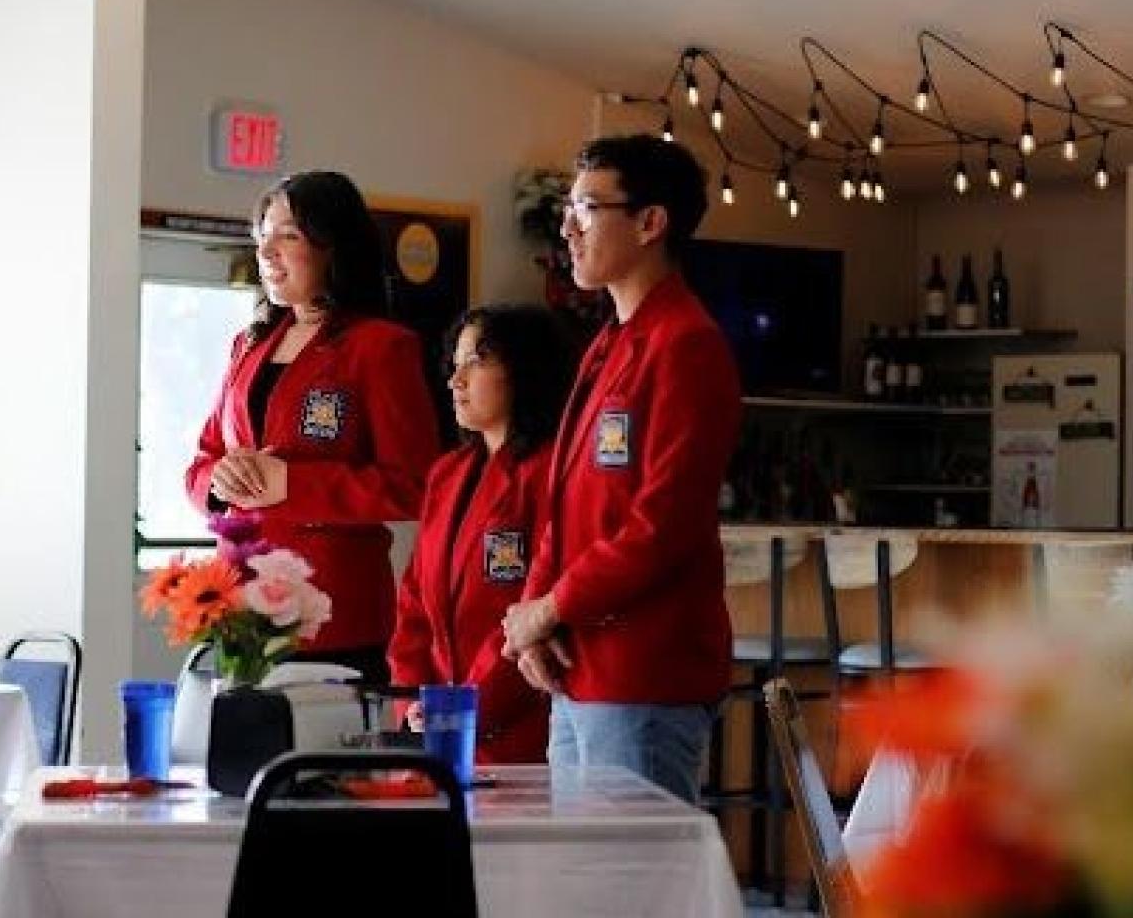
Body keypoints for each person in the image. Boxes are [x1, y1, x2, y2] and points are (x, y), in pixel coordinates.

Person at [501, 134, 742, 804]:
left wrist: (551, 606)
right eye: (566, 210)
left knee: (633, 887)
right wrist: (538, 621)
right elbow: (563, 505)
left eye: (586, 207)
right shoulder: (609, 341)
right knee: (577, 880)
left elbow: (662, 526)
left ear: (649, 222)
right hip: (577, 665)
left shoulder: (687, 346)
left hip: (644, 670)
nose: (568, 227)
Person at [186, 171, 440, 684]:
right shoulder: (248, 344)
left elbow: (414, 484)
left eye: (288, 236)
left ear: (333, 246)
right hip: (243, 606)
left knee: (323, 761)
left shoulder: (380, 346)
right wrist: (216, 483)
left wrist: (291, 484)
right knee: (246, 760)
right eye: (261, 237)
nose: (267, 252)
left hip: (333, 613)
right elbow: (204, 458)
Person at [388, 305, 575, 763]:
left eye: (477, 362)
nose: (456, 381)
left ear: (523, 371)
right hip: (439, 728)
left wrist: (467, 709)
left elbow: (536, 604)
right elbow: (414, 603)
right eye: (455, 365)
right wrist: (413, 699)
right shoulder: (446, 473)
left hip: (523, 730)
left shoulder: (552, 471)